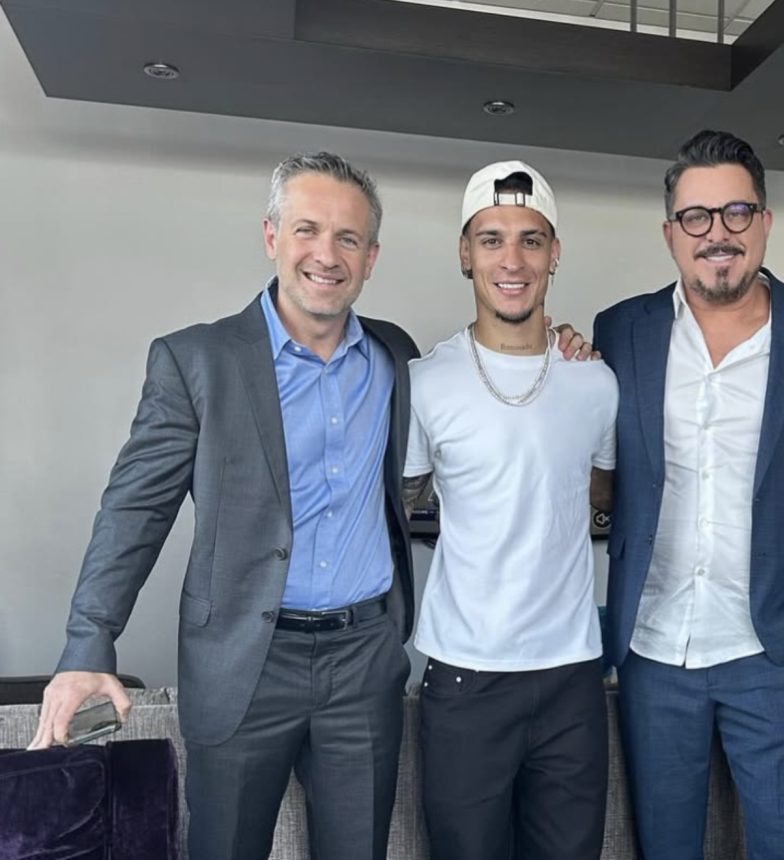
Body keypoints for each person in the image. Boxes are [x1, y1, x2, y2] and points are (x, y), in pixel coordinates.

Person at [27, 150, 592, 859]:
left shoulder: (396, 357)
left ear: (371, 257)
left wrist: (563, 349)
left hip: (364, 665)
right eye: (307, 230)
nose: (327, 254)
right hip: (243, 663)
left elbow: (492, 395)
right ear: (272, 236)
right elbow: (133, 512)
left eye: (348, 238)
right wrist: (88, 643)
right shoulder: (197, 361)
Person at [593, 129, 784, 859]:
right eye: (696, 217)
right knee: (666, 846)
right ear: (671, 234)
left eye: (737, 212)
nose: (718, 233)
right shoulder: (621, 331)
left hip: (770, 644)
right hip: (653, 646)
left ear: (765, 222)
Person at [400, 160, 618, 860]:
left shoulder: (596, 380)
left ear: (555, 253)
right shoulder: (426, 383)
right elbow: (399, 507)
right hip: (465, 677)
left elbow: (604, 496)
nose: (512, 260)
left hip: (573, 675)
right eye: (491, 239)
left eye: (531, 239)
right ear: (465, 254)